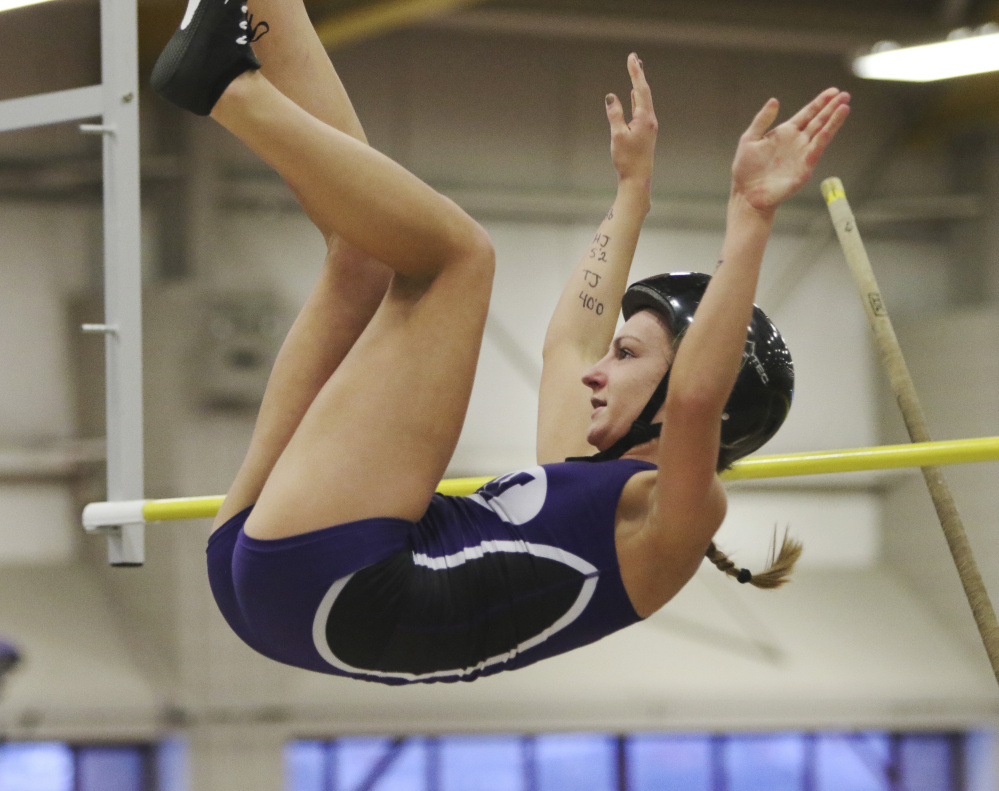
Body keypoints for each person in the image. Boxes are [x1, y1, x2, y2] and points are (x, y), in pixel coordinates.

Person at [151, 0, 849, 684]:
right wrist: (632, 192)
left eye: (629, 355)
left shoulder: (674, 519)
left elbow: (697, 395)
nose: (597, 372)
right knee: (361, 255)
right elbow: (569, 341)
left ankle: (226, 87)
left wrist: (749, 216)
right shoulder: (586, 469)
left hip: (334, 581)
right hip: (278, 581)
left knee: (459, 259)